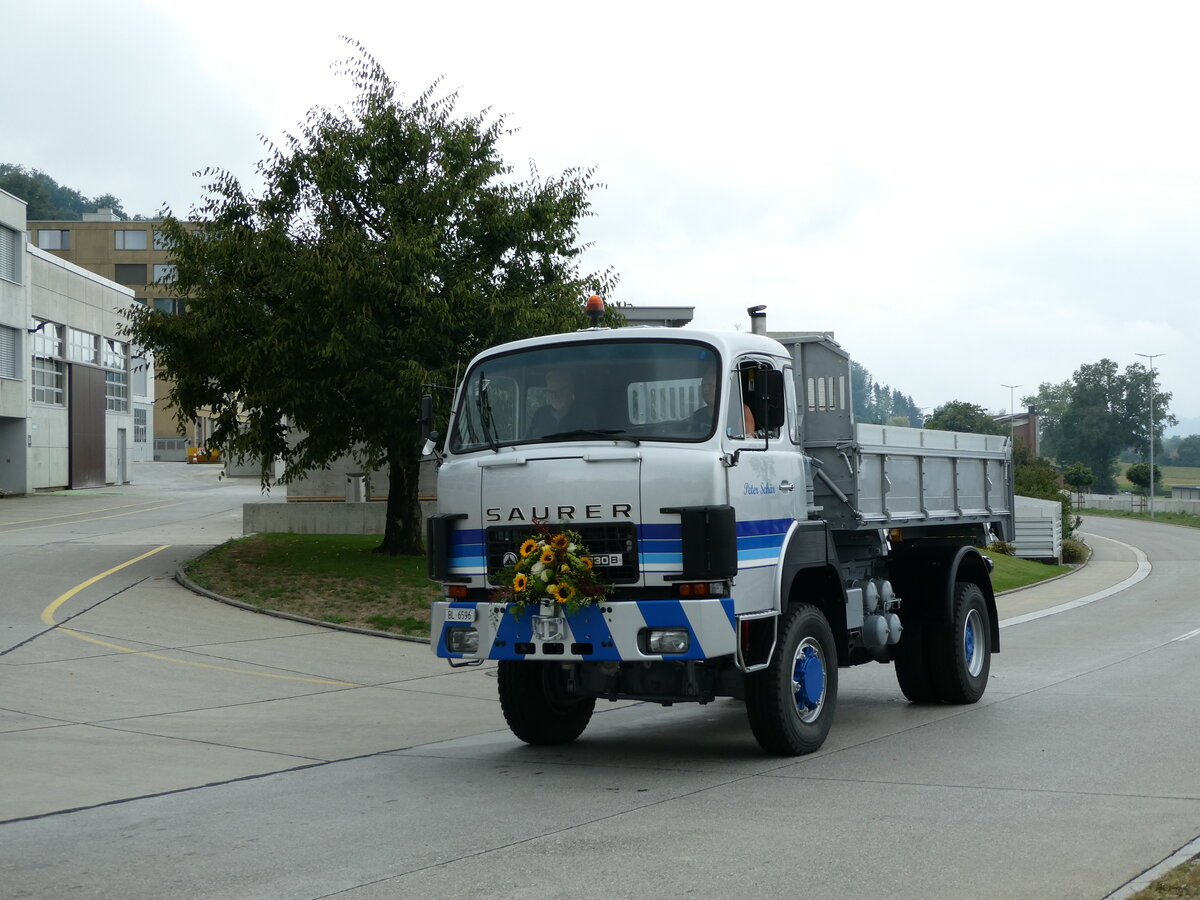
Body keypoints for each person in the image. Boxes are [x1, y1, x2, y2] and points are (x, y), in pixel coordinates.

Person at [690, 370, 754, 435]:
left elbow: (748, 441)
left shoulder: (741, 411)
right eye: (703, 386)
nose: (705, 389)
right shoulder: (698, 415)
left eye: (710, 385)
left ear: (721, 386)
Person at [529, 369, 581, 436]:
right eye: (550, 392)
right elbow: (526, 440)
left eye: (558, 391)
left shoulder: (585, 415)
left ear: (570, 389)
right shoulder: (540, 414)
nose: (554, 396)